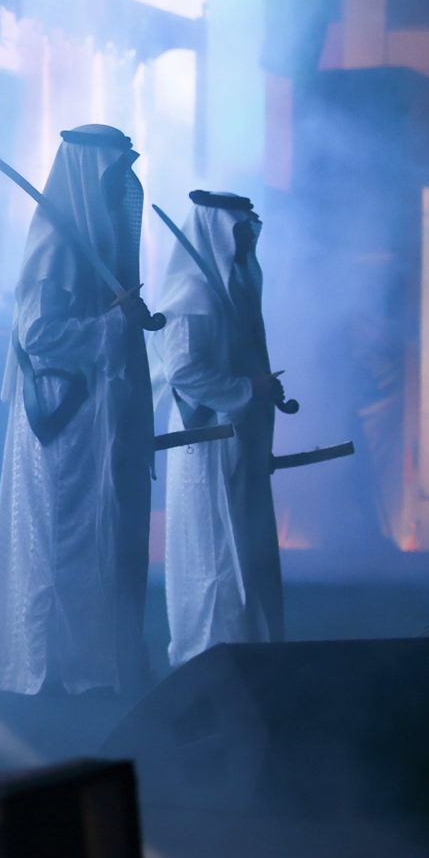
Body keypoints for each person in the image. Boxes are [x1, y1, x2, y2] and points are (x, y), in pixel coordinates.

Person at [0, 123, 160, 696]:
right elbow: (39, 335)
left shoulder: (94, 244)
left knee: (102, 537)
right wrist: (115, 325)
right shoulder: (56, 247)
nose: (118, 187)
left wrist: (122, 320)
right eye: (111, 177)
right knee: (66, 541)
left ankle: (100, 663)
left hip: (98, 419)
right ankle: (55, 668)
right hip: (64, 422)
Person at [157, 190, 284, 663]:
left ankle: (250, 651)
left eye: (250, 232)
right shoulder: (193, 297)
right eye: (240, 232)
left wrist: (260, 391)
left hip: (238, 439)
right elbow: (183, 372)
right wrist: (248, 389)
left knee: (244, 548)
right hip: (207, 445)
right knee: (213, 549)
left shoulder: (232, 290)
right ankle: (209, 656)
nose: (248, 242)